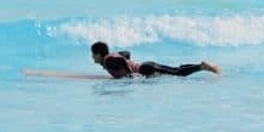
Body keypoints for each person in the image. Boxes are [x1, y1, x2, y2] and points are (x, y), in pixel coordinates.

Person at [91, 41, 220, 79]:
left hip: (146, 69)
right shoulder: (111, 57)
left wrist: (130, 74)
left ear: (98, 54)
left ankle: (201, 67)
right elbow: (126, 54)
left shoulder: (108, 60)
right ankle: (200, 66)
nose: (92, 57)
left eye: (93, 54)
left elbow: (122, 61)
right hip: (147, 66)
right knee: (176, 70)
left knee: (177, 73)